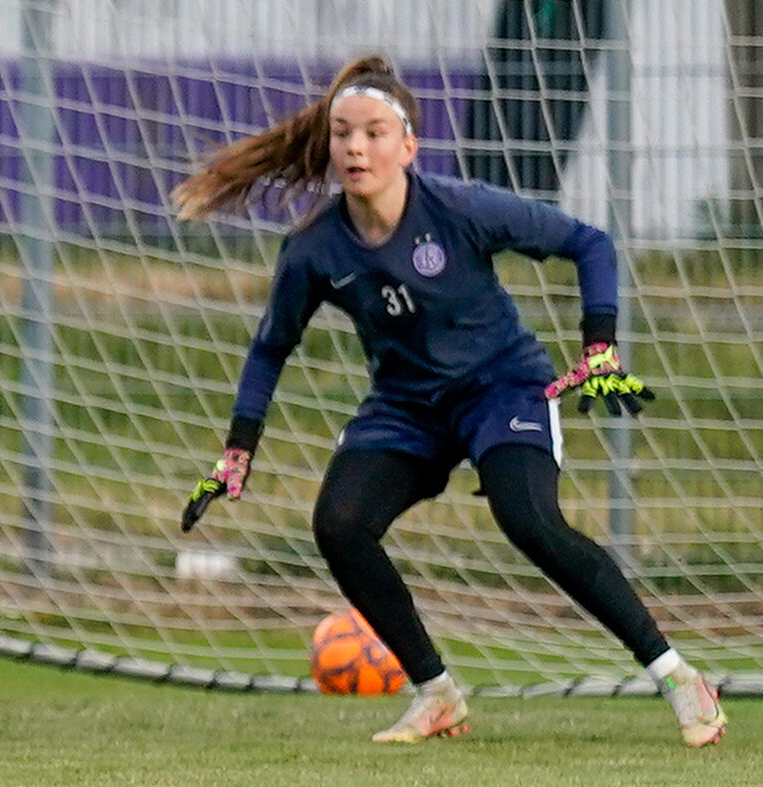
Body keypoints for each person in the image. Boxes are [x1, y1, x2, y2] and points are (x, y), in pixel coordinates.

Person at [174, 54, 724, 749]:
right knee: (340, 524)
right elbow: (269, 348)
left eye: (374, 133)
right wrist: (238, 450)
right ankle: (436, 694)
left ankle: (679, 678)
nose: (355, 148)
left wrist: (600, 346)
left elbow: (589, 243)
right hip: (407, 410)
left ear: (409, 146)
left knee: (529, 521)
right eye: (343, 133)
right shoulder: (315, 248)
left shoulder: (461, 208)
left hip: (502, 389)